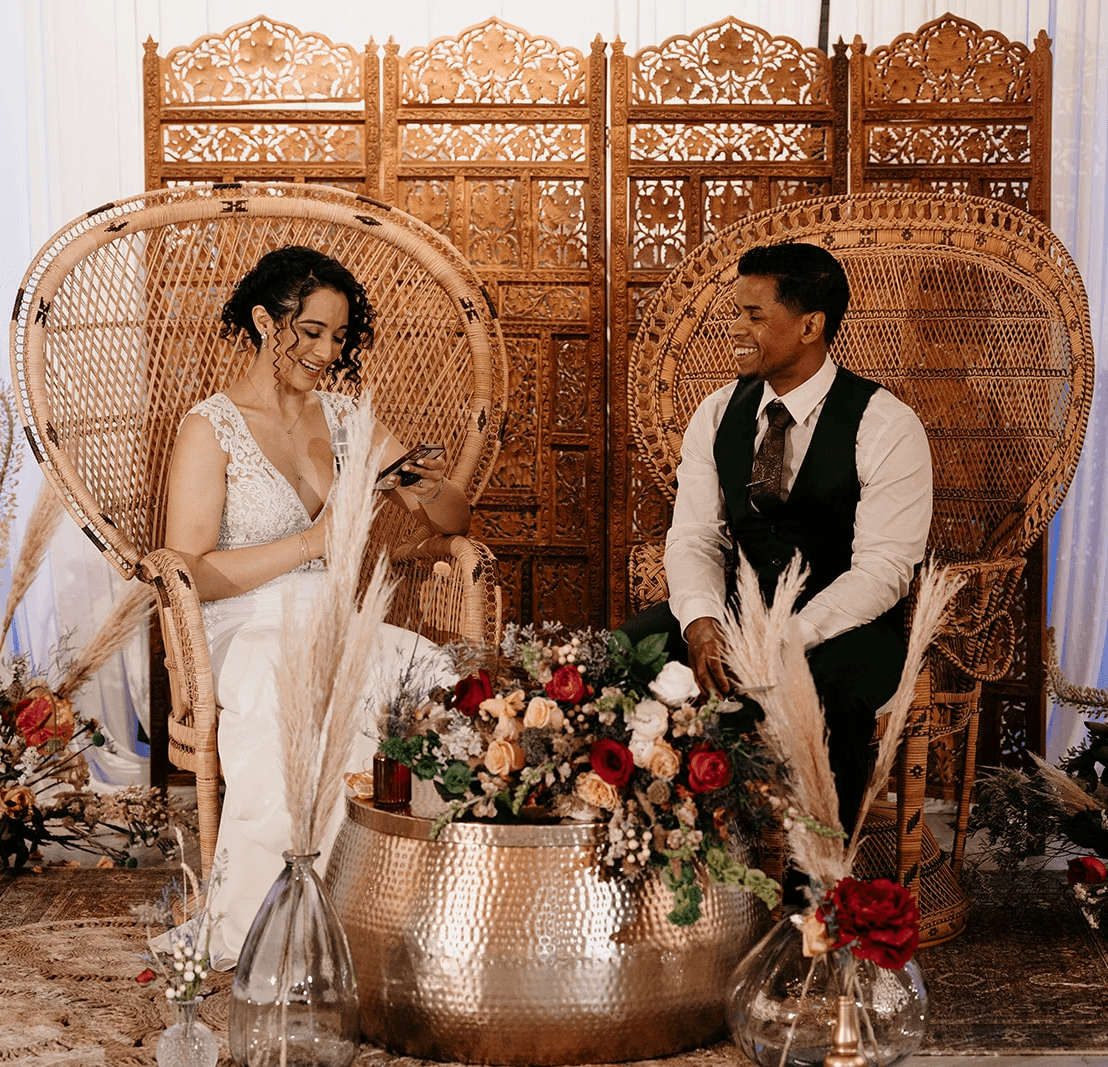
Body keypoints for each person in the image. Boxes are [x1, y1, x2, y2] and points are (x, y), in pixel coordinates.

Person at [164, 245, 469, 966]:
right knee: (287, 678)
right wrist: (313, 542)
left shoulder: (344, 417)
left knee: (434, 672)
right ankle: (283, 925)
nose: (328, 352)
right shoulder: (210, 427)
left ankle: (399, 910)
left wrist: (424, 486)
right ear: (264, 321)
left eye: (339, 336)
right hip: (247, 623)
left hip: (336, 618)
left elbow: (456, 518)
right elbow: (190, 572)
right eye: (310, 332)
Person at [620, 242, 932, 837]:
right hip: (737, 613)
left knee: (827, 701)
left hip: (847, 629)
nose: (735, 328)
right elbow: (693, 537)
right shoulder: (717, 413)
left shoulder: (886, 425)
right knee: (621, 658)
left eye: (754, 315)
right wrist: (701, 622)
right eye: (735, 312)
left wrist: (785, 638)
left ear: (810, 326)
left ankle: (817, 876)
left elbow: (885, 568)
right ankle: (648, 852)